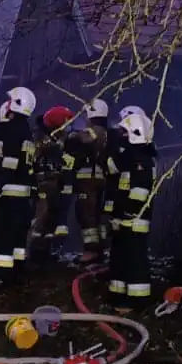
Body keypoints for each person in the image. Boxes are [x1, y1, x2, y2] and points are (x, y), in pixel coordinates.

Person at [0, 87, 38, 282]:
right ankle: (18, 268)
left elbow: (6, 161)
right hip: (22, 195)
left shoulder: (8, 131)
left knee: (3, 235)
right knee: (18, 235)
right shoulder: (27, 132)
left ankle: (0, 274)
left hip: (7, 192)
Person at [106, 112, 156, 309]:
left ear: (135, 133)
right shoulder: (130, 156)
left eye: (124, 133)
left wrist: (128, 212)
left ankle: (137, 301)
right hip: (123, 219)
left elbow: (139, 192)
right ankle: (118, 296)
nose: (121, 136)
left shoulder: (142, 160)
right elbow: (113, 171)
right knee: (119, 258)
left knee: (134, 260)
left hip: (135, 220)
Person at [64, 99, 112, 264]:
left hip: (89, 180)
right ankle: (100, 249)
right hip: (99, 178)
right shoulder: (106, 131)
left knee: (87, 216)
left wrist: (70, 134)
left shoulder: (94, 131)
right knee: (97, 216)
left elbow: (80, 140)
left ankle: (91, 252)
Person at [29, 106, 74, 262]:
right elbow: (40, 152)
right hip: (43, 183)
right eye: (65, 123)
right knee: (40, 218)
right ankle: (34, 250)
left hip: (58, 184)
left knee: (54, 221)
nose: (67, 126)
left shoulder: (61, 137)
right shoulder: (39, 137)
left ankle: (48, 251)